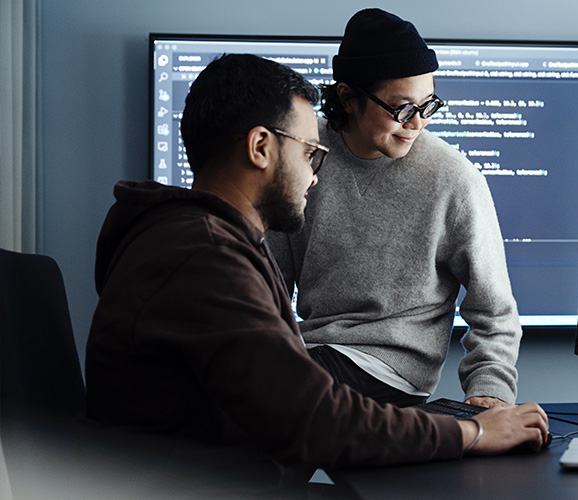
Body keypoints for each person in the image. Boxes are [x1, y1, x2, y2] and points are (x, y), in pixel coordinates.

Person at [83, 53, 548, 492]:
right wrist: (467, 433)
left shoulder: (196, 240)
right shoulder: (206, 258)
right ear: (260, 147)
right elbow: (313, 418)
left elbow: (295, 409)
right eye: (310, 152)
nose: (316, 175)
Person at [267, 8, 522, 410]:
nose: (418, 123)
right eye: (402, 109)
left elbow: (495, 310)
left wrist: (490, 391)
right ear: (349, 98)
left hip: (391, 367)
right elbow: (270, 280)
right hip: (312, 351)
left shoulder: (453, 177)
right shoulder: (305, 152)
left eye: (428, 105)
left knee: (269, 397)